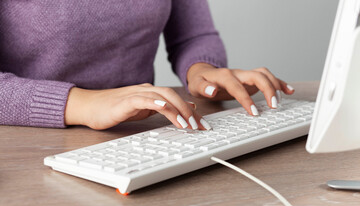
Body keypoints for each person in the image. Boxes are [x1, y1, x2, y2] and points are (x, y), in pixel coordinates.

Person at [0, 1, 294, 131]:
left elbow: (193, 34)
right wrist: (85, 103)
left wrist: (202, 72)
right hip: (27, 141)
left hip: (138, 131)